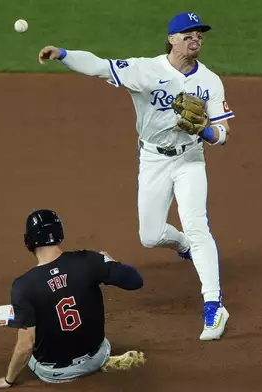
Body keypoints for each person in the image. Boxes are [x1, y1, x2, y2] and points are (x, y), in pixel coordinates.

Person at [37, 11, 234, 341]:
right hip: (154, 159)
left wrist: (207, 132)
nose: (195, 38)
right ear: (172, 39)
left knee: (198, 224)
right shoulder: (146, 70)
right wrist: (63, 55)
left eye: (199, 34)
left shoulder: (210, 82)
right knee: (151, 236)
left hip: (190, 160)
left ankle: (214, 304)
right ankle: (182, 243)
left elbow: (224, 132)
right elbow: (100, 66)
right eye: (188, 34)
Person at [0, 209, 145, 389]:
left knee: (28, 316)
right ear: (59, 233)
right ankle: (23, 314)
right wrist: (111, 262)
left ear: (29, 241)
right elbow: (135, 281)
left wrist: (8, 380)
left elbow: (26, 346)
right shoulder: (89, 260)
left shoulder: (23, 286)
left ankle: (20, 314)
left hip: (55, 373)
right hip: (97, 357)